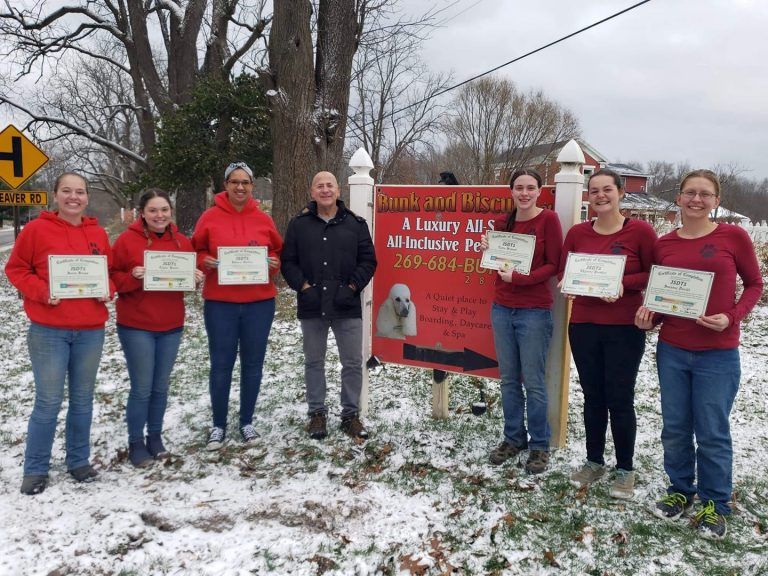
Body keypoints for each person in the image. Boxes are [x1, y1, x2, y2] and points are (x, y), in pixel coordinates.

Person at [636, 169, 763, 539]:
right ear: (678, 198)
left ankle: (715, 503)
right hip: (673, 349)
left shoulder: (733, 237)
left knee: (711, 431)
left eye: (705, 194)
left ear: (716, 201)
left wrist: (732, 317)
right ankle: (680, 489)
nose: (696, 199)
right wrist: (650, 318)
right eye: (690, 192)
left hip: (717, 353)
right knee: (675, 427)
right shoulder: (664, 244)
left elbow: (754, 284)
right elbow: (664, 297)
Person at [5, 172, 114, 494]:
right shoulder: (36, 230)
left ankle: (78, 461)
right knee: (48, 402)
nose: (73, 197)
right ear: (55, 195)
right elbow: (16, 269)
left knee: (82, 400)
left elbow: (108, 273)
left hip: (90, 331)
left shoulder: (98, 233)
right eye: (67, 191)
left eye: (80, 192)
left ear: (87, 197)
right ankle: (35, 468)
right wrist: (42, 292)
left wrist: (107, 289)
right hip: (49, 331)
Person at [561, 169, 656, 499]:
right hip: (584, 325)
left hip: (624, 327)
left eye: (607, 190)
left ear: (620, 193)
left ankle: (625, 468)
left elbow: (653, 274)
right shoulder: (577, 233)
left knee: (620, 397)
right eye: (594, 191)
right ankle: (594, 461)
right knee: (592, 395)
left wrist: (620, 284)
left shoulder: (640, 231)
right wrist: (569, 284)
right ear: (588, 196)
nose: (600, 196)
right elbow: (564, 270)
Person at [192, 161, 283, 450]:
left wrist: (274, 263)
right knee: (221, 364)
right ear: (226, 185)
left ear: (252, 186)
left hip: (259, 304)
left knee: (253, 364)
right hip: (221, 304)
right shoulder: (209, 217)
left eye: (245, 182)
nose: (240, 187)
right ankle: (218, 425)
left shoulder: (263, 219)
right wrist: (203, 261)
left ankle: (246, 421)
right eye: (234, 181)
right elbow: (196, 249)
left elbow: (276, 251)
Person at [281, 171, 377, 440]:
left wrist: (352, 287)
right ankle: (317, 414)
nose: (325, 190)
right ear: (312, 192)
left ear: (338, 190)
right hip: (312, 304)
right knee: (314, 361)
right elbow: (288, 261)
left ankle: (350, 415)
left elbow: (368, 260)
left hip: (346, 305)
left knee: (352, 362)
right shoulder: (299, 225)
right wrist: (303, 287)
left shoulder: (355, 225)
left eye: (329, 185)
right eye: (319, 186)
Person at [112, 190, 204, 467]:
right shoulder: (126, 241)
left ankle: (155, 437)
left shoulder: (182, 242)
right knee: (142, 387)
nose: (159, 215)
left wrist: (195, 278)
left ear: (170, 211)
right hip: (136, 324)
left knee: (160, 387)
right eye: (153, 210)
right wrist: (132, 276)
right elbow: (112, 278)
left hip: (171, 324)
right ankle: (135, 442)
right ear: (142, 213)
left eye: (164, 209)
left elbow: (185, 282)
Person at [481, 170, 562, 474]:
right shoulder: (503, 223)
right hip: (502, 308)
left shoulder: (548, 220)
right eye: (519, 188)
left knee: (534, 382)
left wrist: (519, 278)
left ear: (540, 191)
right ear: (511, 191)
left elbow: (554, 264)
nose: (524, 193)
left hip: (534, 311)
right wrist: (488, 252)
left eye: (530, 188)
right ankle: (513, 438)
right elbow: (497, 265)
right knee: (508, 380)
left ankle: (539, 444)